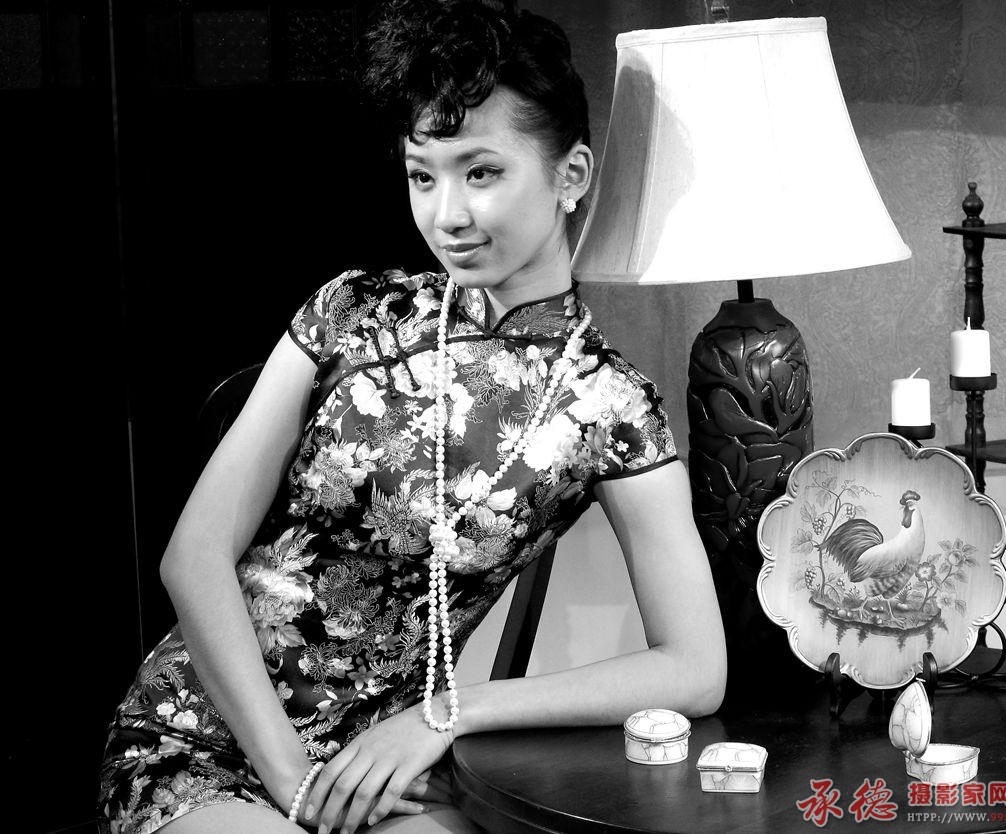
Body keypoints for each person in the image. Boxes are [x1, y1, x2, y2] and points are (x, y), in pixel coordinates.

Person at [97, 2, 726, 832]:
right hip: (204, 736)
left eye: (482, 173)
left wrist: (451, 712)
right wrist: (291, 778)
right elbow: (193, 558)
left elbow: (694, 667)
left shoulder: (612, 407)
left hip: (383, 765)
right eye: (422, 176)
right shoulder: (353, 313)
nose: (447, 215)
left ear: (571, 175)